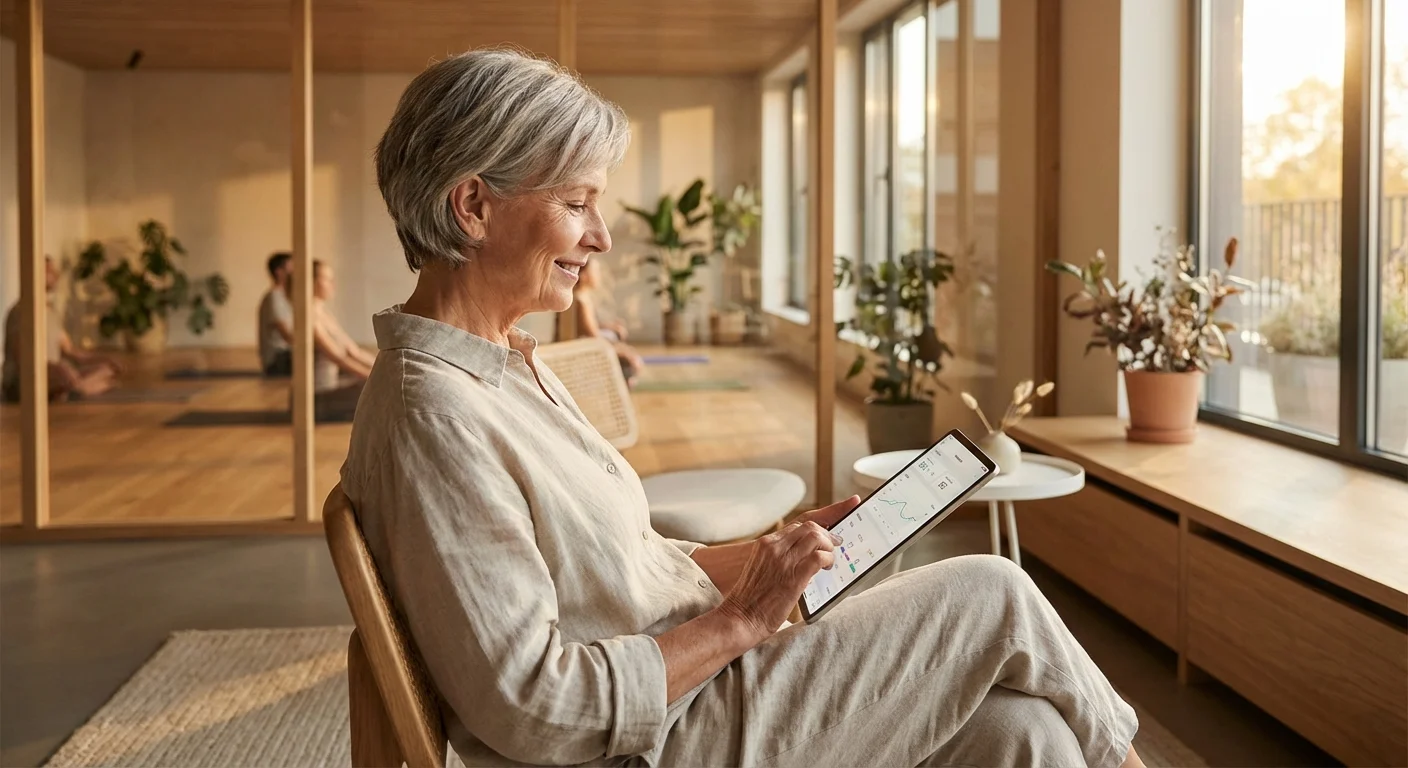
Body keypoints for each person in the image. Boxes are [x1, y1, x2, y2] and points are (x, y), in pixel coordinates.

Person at [341, 48, 1143, 768]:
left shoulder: (506, 371)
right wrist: (744, 620)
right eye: (578, 203)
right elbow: (534, 708)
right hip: (652, 741)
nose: (602, 238)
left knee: (1023, 735)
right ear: (473, 207)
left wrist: (771, 560)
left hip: (687, 703)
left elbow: (625, 577)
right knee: (992, 594)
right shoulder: (435, 414)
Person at [2, 256, 122, 403]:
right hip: (23, 381)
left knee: (104, 369)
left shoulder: (51, 312)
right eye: (48, 270)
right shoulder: (21, 312)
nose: (55, 274)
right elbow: (22, 360)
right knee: (65, 371)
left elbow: (70, 350)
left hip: (52, 375)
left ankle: (72, 390)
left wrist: (102, 359)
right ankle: (77, 389)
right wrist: (56, 369)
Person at [309, 260, 374, 421]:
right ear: (310, 282)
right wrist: (378, 378)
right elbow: (339, 359)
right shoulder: (309, 318)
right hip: (314, 399)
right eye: (326, 279)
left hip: (331, 389)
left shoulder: (324, 314)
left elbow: (354, 351)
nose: (333, 284)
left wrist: (388, 367)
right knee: (374, 387)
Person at [572, 259, 645, 387]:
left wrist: (610, 326)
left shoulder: (583, 297)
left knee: (622, 341)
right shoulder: (581, 300)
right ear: (584, 276)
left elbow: (589, 325)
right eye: (595, 272)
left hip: (594, 340)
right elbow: (591, 334)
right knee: (632, 359)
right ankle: (622, 386)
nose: (599, 276)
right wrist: (618, 349)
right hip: (590, 344)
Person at [258, 252, 295, 377]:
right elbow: (288, 335)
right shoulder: (274, 297)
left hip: (287, 355)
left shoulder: (286, 297)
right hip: (277, 360)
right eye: (292, 268)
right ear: (279, 272)